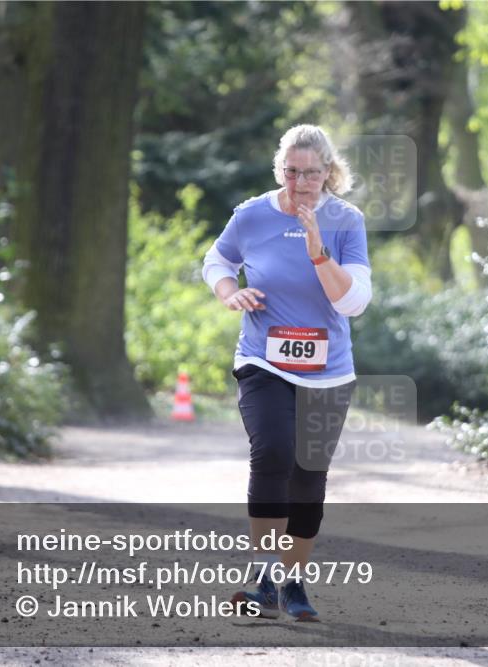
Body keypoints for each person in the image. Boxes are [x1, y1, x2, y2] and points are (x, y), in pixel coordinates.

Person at [202, 124, 372, 621]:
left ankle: (293, 582)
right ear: (280, 170)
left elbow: (354, 302)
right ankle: (261, 579)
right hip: (263, 359)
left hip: (328, 372)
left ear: (328, 172)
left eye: (311, 173)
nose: (301, 182)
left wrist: (318, 248)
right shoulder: (252, 214)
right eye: (291, 172)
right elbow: (217, 260)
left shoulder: (346, 220)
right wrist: (229, 292)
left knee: (309, 475)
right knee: (272, 450)